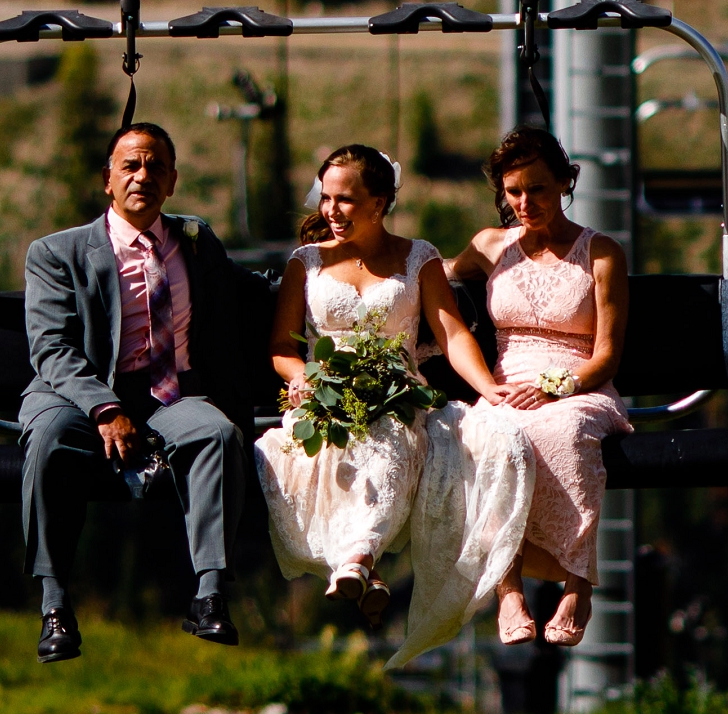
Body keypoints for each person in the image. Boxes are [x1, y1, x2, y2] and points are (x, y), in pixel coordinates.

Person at [253, 144, 528, 654]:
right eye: (326, 199)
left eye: (346, 200)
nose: (331, 211)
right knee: (334, 447)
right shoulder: (306, 263)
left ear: (380, 203)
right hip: (326, 393)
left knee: (394, 436)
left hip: (398, 391)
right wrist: (303, 379)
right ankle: (363, 560)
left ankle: (357, 558)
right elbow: (281, 347)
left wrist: (488, 386)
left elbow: (451, 334)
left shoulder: (416, 257)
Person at [17, 122, 263, 663]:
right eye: (130, 165)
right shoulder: (57, 253)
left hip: (166, 393)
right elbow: (53, 348)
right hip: (81, 391)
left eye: (155, 166)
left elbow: (238, 294)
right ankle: (55, 603)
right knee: (49, 440)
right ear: (108, 179)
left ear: (172, 181)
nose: (142, 176)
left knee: (217, 434)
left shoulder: (195, 242)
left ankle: (210, 594)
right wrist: (104, 409)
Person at [453, 127, 631, 649]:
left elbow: (606, 356)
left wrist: (559, 387)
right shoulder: (492, 245)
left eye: (538, 190)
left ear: (564, 184)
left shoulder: (600, 253)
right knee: (488, 435)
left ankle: (578, 582)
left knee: (566, 432)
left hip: (576, 383)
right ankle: (508, 589)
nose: (525, 203)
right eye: (514, 192)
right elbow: (438, 276)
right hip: (509, 380)